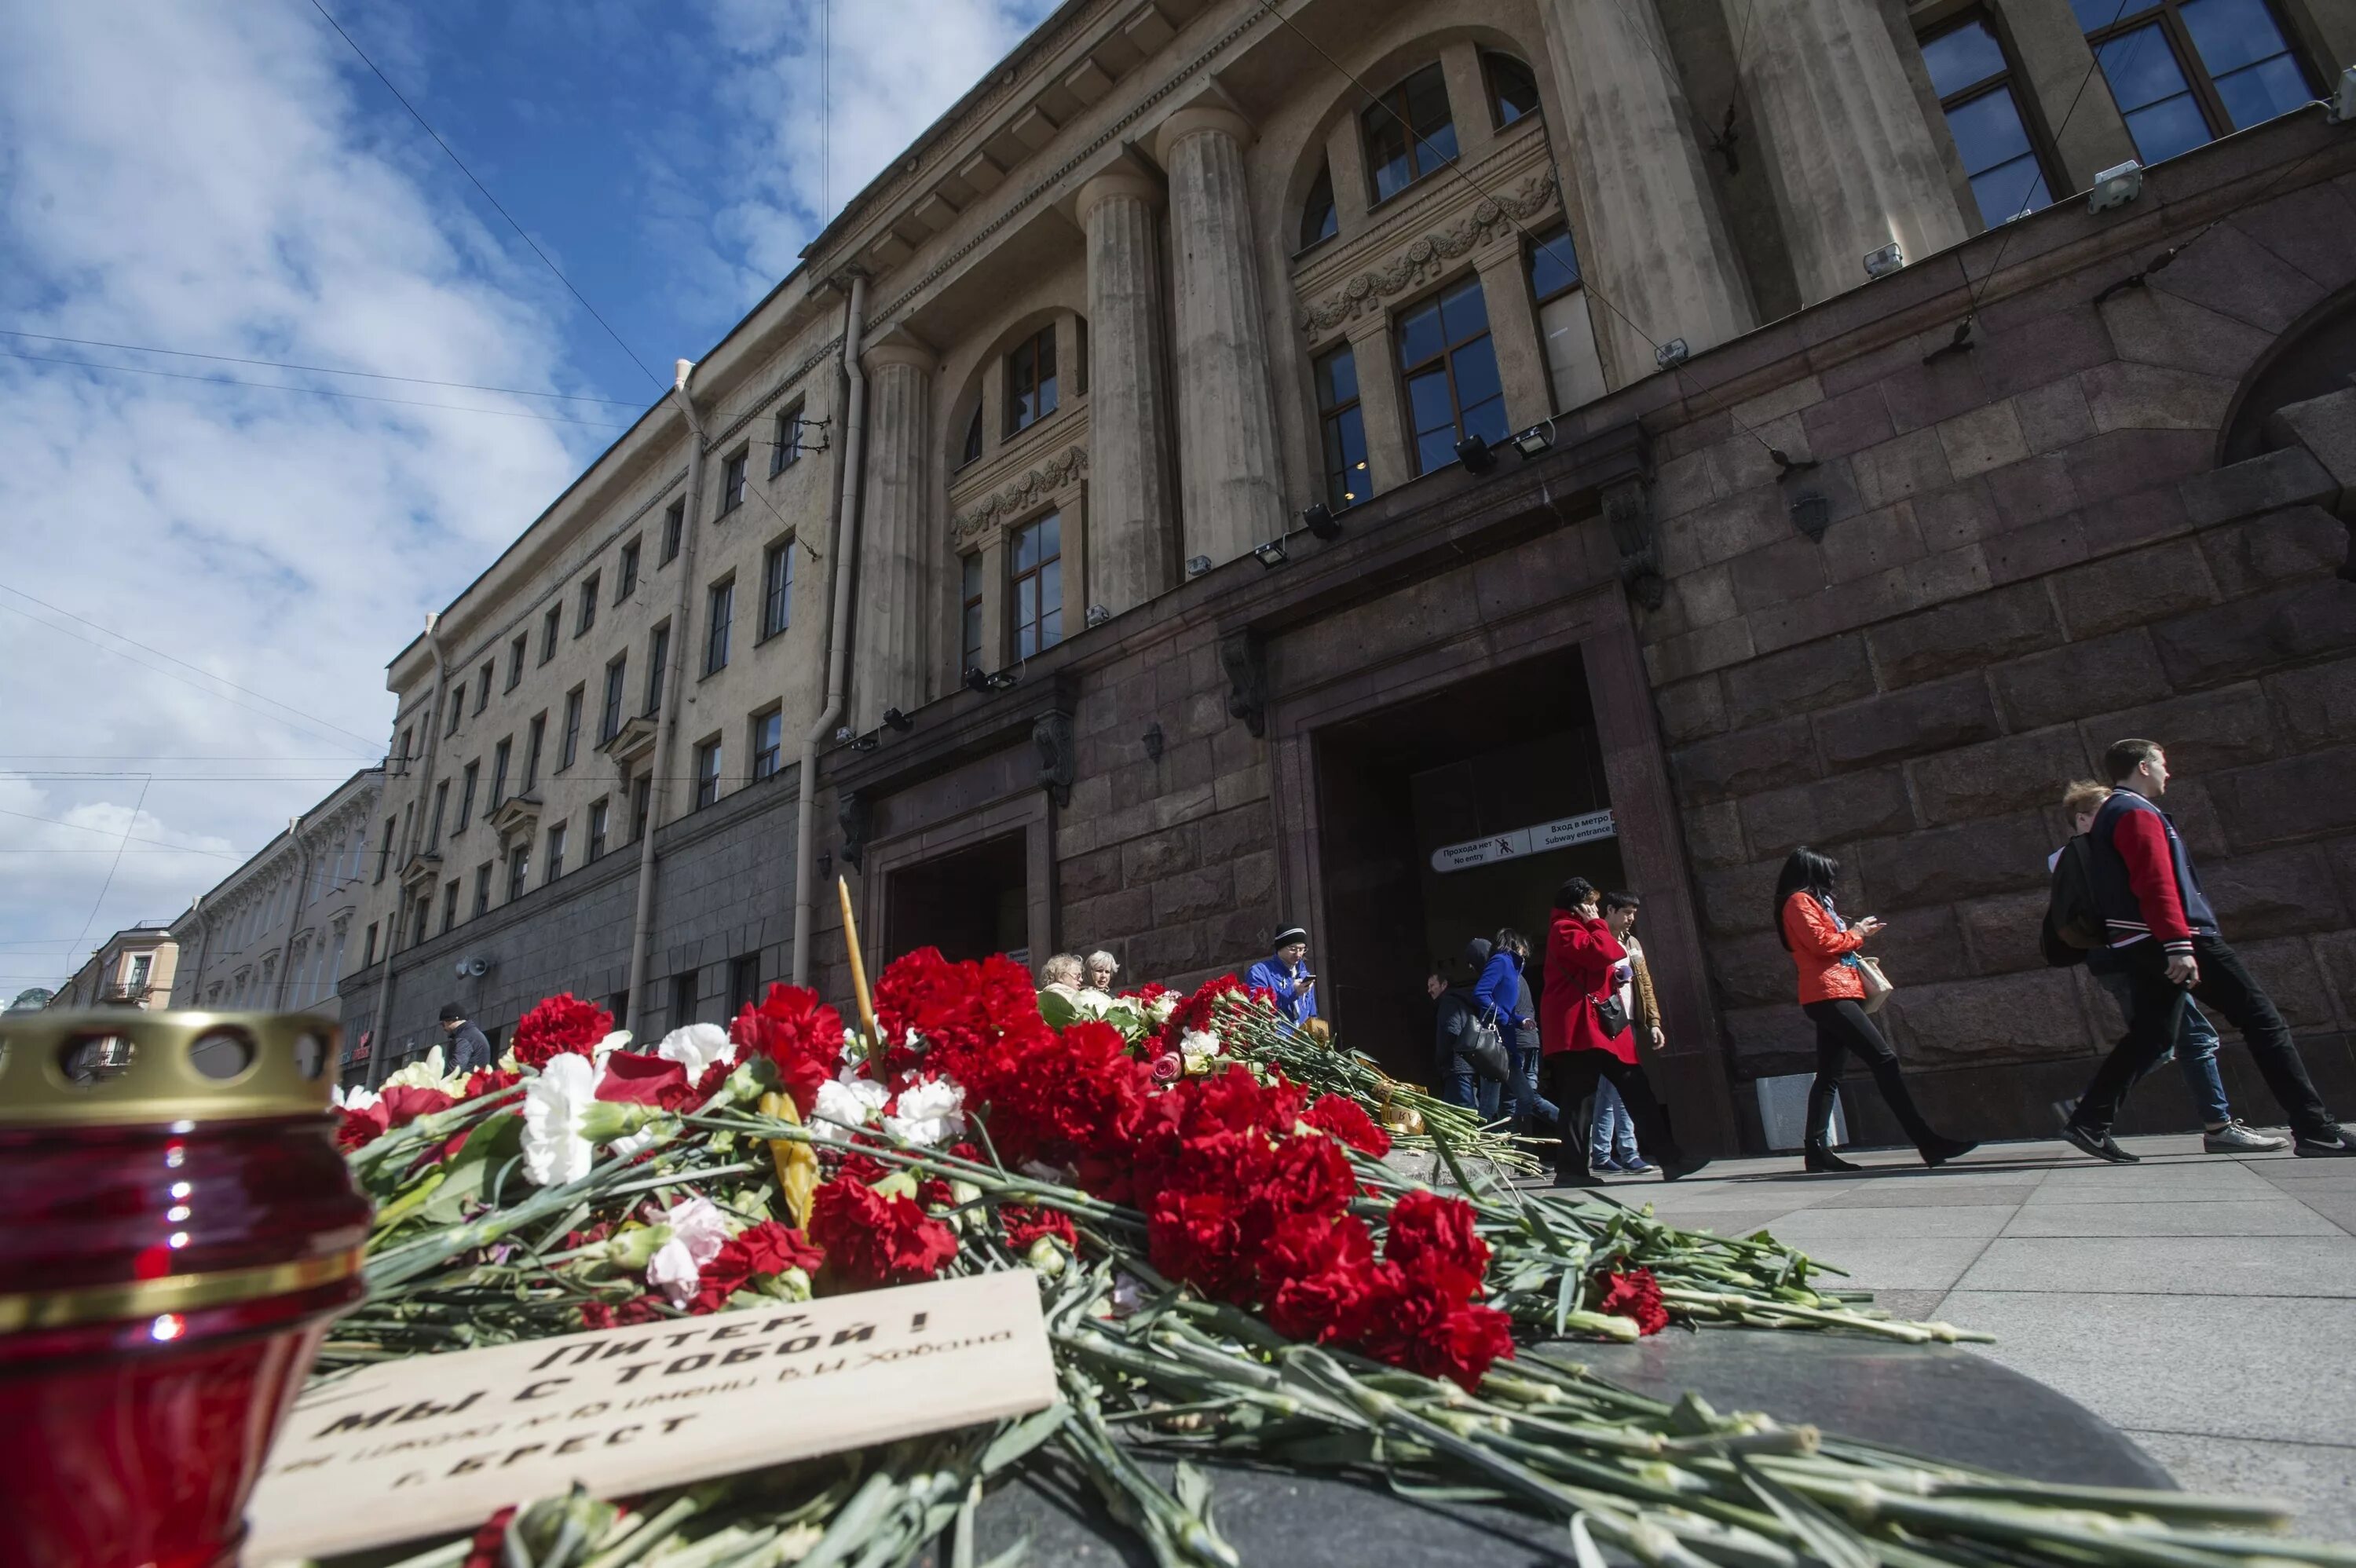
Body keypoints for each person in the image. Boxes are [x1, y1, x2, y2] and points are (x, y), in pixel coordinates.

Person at [2062, 740, 2354, 1161]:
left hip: (2141, 941)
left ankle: (2088, 1122)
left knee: (2152, 1035)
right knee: (2262, 1020)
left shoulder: (2116, 812)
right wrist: (2179, 946)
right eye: (2163, 764)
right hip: (2175, 938)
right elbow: (2155, 881)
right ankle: (2315, 1128)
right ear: (2143, 767)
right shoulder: (2134, 811)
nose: (2168, 772)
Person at [2054, 781, 2285, 1153]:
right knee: (2181, 1039)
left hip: (2137, 953)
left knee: (2170, 1038)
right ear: (2082, 819)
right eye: (2102, 811)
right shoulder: (2081, 854)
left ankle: (2092, 1114)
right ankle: (2090, 1110)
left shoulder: (2099, 846)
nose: (2112, 817)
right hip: (2132, 956)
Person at [1776, 847, 1976, 1172]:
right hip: (1829, 994)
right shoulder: (1799, 901)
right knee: (1884, 1060)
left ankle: (1815, 1151)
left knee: (1829, 1075)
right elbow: (1822, 944)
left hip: (1834, 992)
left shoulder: (1812, 903)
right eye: (1827, 874)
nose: (1831, 881)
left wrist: (1855, 933)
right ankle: (1926, 1140)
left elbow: (1826, 940)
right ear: (1812, 873)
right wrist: (1857, 934)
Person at [1541, 878, 1706, 1185]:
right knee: (1585, 1099)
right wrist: (1597, 925)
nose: (1595, 909)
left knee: (1627, 1090)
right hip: (1582, 1028)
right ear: (1577, 906)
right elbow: (1603, 953)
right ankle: (1572, 1170)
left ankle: (1669, 1159)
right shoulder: (1565, 929)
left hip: (1596, 1027)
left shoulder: (1575, 928)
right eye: (1590, 903)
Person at [1590, 894, 1662, 1174]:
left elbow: (1645, 984)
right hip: (1608, 1021)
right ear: (1610, 910)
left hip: (1628, 1021)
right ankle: (1627, 1153)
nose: (1631, 918)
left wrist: (1654, 1021)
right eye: (1627, 912)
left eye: (1634, 912)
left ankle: (1603, 1154)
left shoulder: (1632, 943)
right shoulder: (1597, 938)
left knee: (1611, 1091)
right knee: (1615, 1089)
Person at [1478, 930, 1559, 1135]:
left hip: (1509, 1045)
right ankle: (1480, 1150)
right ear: (1516, 944)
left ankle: (1517, 1154)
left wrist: (1518, 1020)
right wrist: (1506, 1019)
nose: (1527, 952)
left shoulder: (1513, 968)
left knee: (1522, 1098)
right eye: (1524, 947)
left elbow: (1504, 1007)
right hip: (1498, 1045)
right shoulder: (1501, 961)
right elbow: (1481, 993)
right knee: (1492, 1105)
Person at [1435, 938, 1501, 1118]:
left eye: (1432, 985)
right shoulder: (1466, 1000)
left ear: (1444, 985)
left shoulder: (1448, 1002)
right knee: (1467, 1111)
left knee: (1463, 1114)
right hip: (1469, 1064)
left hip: (1456, 1066)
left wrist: (1443, 1056)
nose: (1429, 990)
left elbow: (1452, 1030)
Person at [1246, 925, 1319, 1026]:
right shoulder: (1260, 972)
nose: (1298, 954)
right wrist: (1293, 991)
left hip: (1303, 1039)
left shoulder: (1304, 974)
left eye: (1302, 949)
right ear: (1280, 947)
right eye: (1293, 949)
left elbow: (1312, 1014)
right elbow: (1258, 1009)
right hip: (1276, 1038)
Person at [439, 1003, 492, 1075]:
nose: (444, 1029)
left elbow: (455, 1069)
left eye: (443, 1024)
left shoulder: (464, 1038)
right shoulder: (472, 1034)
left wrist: (438, 1078)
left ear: (450, 1021)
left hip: (466, 1084)